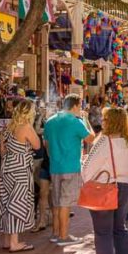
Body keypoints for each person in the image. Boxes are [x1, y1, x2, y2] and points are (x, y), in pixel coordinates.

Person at [83, 107, 128, 254]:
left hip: (106, 188)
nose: (102, 122)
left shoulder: (104, 142)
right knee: (119, 227)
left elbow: (88, 169)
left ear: (110, 122)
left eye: (105, 119)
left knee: (102, 231)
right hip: (126, 186)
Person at [43, 94, 94, 245]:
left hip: (55, 166)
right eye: (81, 106)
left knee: (57, 201)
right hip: (70, 166)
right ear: (75, 106)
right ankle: (63, 236)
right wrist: (86, 120)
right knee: (65, 203)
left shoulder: (50, 121)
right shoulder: (75, 121)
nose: (82, 109)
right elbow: (91, 138)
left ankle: (56, 233)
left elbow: (46, 144)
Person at [0, 99, 41, 252]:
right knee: (17, 202)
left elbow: (2, 151)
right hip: (21, 168)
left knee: (6, 201)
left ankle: (6, 240)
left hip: (7, 166)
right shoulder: (26, 127)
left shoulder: (8, 127)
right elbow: (37, 145)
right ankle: (14, 243)